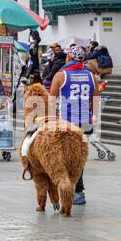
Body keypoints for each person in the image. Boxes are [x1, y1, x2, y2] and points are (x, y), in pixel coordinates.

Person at [50, 46, 99, 205]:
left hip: (66, 123)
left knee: (63, 158)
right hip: (85, 123)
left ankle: (67, 190)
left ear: (69, 58)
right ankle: (79, 193)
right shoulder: (92, 76)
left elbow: (52, 101)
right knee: (78, 158)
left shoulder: (60, 76)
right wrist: (94, 119)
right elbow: (95, 101)